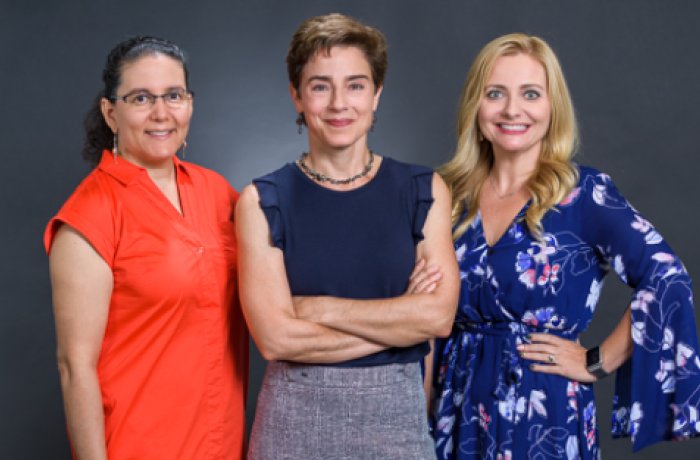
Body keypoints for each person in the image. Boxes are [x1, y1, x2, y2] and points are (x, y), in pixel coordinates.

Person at [431, 33, 700, 459]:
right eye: (495, 93)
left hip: (544, 412)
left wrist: (597, 361)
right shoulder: (446, 196)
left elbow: (668, 278)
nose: (512, 110)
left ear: (552, 107)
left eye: (531, 94)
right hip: (454, 407)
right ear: (474, 105)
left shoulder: (584, 193)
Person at [236, 13, 459, 459]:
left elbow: (437, 318)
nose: (340, 103)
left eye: (355, 85)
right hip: (292, 425)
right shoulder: (262, 200)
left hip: (397, 423)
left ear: (376, 94)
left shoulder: (424, 189)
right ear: (297, 97)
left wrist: (320, 308)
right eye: (320, 86)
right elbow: (277, 340)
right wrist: (402, 328)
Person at [44, 36, 248, 459]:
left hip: (222, 443)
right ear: (110, 112)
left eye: (173, 96)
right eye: (141, 98)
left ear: (189, 103)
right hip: (140, 445)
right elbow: (74, 369)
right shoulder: (91, 216)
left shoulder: (216, 192)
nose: (161, 113)